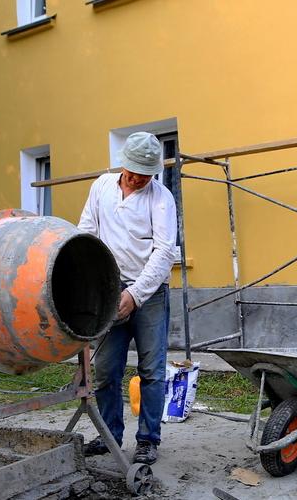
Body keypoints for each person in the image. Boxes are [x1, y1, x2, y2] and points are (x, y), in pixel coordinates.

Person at [77, 132, 178, 465]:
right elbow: (87, 231)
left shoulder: (161, 199)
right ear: (123, 164)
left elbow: (164, 252)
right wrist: (94, 281)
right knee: (106, 369)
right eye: (133, 172)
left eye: (145, 175)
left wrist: (134, 295)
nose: (137, 179)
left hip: (150, 293)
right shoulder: (101, 187)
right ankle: (109, 436)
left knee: (152, 370)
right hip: (108, 289)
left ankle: (148, 439)